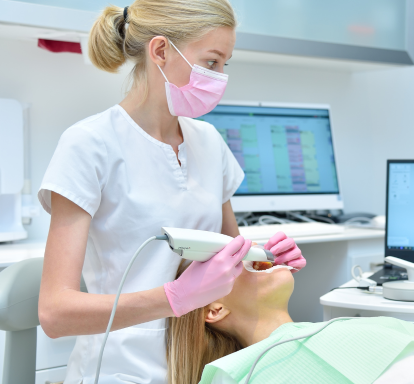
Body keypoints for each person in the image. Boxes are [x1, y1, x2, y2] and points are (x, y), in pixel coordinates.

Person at [37, 1, 306, 383]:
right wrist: (175, 297)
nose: (219, 77)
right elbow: (54, 314)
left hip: (200, 364)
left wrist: (264, 259)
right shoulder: (89, 145)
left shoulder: (209, 142)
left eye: (224, 64)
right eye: (211, 62)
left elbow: (230, 258)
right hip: (121, 369)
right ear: (161, 51)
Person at [166, 261, 414, 384]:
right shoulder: (237, 372)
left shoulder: (321, 330)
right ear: (212, 309)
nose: (253, 257)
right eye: (226, 267)